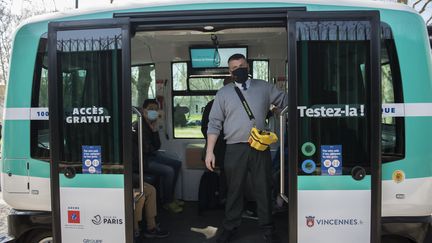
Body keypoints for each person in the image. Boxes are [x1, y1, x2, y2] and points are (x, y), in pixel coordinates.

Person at [205, 54, 287, 243]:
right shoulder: (223, 93)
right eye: (234, 68)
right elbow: (214, 123)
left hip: (259, 147)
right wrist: (210, 151)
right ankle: (230, 226)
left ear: (248, 66)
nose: (238, 69)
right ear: (230, 72)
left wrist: (276, 110)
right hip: (234, 148)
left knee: (264, 188)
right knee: (234, 189)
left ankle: (268, 227)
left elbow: (286, 102)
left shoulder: (264, 87)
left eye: (241, 65)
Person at [133, 99, 183, 213]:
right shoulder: (138, 126)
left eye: (156, 109)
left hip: (149, 156)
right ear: (143, 110)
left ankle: (170, 196)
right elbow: (147, 149)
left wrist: (154, 130)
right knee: (169, 171)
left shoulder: (149, 125)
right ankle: (167, 202)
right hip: (140, 161)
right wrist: (153, 148)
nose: (154, 112)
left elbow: (157, 145)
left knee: (177, 164)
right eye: (150, 109)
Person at [201, 77, 233, 203]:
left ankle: (226, 198)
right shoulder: (212, 105)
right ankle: (224, 198)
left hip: (225, 147)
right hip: (219, 148)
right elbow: (205, 128)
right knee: (229, 169)